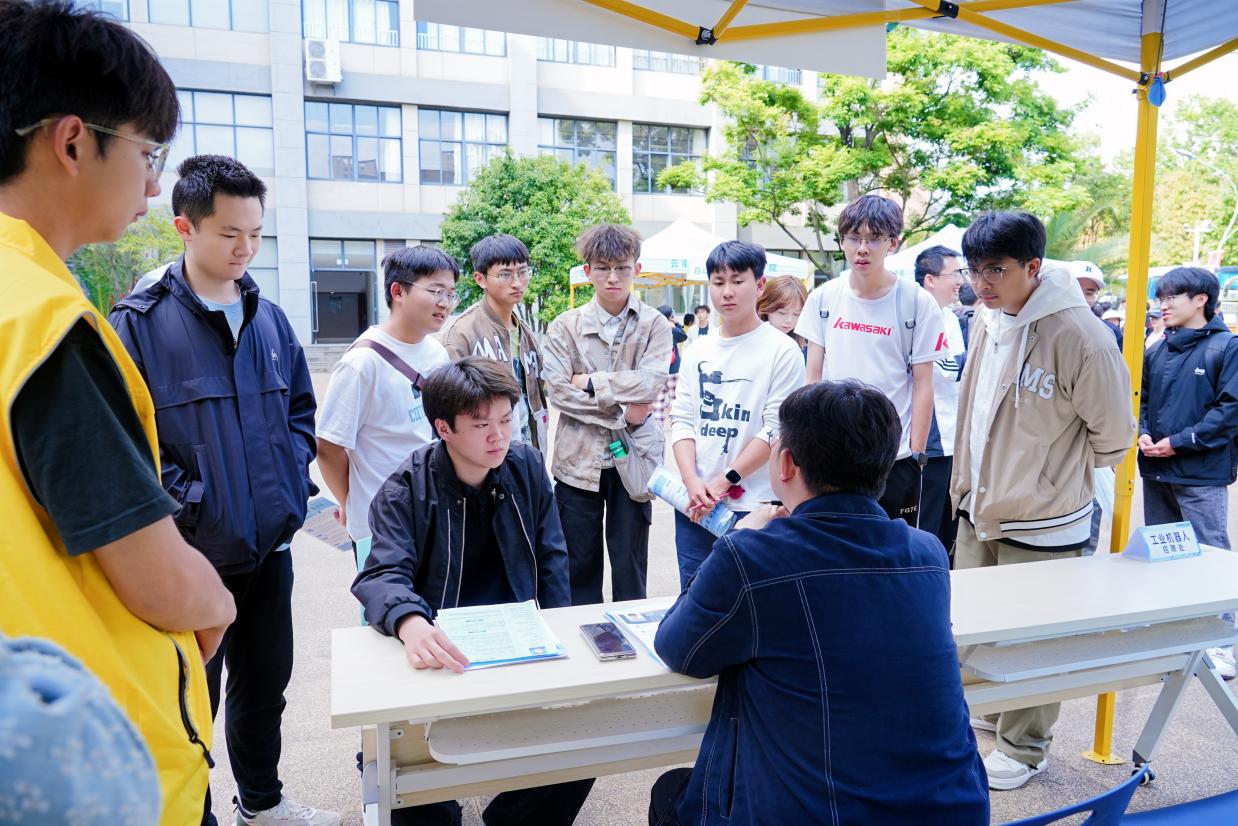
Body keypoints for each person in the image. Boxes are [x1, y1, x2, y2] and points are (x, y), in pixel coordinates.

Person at [0, 3, 235, 823]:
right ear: (72, 142)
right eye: (146, 153)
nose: (151, 183)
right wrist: (217, 601)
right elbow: (157, 579)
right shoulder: (41, 320)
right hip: (93, 766)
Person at [649, 381, 989, 826]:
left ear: (786, 463)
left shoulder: (753, 556)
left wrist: (740, 536)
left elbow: (679, 648)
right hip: (953, 809)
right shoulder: (926, 553)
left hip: (822, 814)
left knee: (671, 792)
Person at [110, 155, 333, 825]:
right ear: (185, 226)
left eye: (256, 233)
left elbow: (299, 413)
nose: (245, 248)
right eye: (229, 233)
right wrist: (194, 506)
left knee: (265, 688)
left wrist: (288, 483)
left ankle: (261, 804)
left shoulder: (269, 319)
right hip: (191, 555)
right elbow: (128, 444)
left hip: (271, 547)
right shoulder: (139, 324)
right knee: (188, 698)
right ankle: (193, 813)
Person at [352, 357, 594, 826]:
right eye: (481, 425)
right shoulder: (406, 489)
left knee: (583, 747)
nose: (498, 436)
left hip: (517, 644)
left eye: (506, 420)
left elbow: (553, 557)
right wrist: (410, 621)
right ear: (443, 428)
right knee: (400, 776)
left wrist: (558, 635)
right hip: (444, 653)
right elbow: (381, 574)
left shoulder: (525, 466)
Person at [951, 211, 1134, 791]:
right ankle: (996, 712)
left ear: (1033, 266)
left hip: (1045, 516)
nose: (981, 283)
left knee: (1034, 635)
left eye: (995, 270)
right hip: (977, 504)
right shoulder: (986, 318)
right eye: (974, 270)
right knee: (973, 623)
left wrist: (1048, 474)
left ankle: (1026, 749)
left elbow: (1115, 436)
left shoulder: (1082, 335)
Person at [795, 194, 945, 526]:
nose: (862, 248)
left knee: (892, 546)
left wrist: (917, 453)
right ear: (842, 242)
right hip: (834, 454)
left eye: (874, 238)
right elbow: (813, 378)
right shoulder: (823, 298)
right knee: (836, 542)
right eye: (854, 237)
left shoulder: (916, 302)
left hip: (895, 457)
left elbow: (923, 383)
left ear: (893, 242)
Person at [542, 225, 670, 604]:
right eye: (602, 268)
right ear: (587, 271)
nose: (612, 277)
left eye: (622, 268)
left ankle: (631, 636)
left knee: (631, 566)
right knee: (578, 568)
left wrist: (591, 382)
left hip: (634, 461)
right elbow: (558, 391)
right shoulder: (565, 327)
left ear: (637, 269)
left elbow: (651, 383)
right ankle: (582, 635)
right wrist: (622, 414)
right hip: (576, 462)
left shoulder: (654, 325)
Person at [670, 241, 806, 587]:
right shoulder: (697, 350)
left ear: (759, 285)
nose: (727, 291)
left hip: (755, 504)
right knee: (694, 594)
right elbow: (682, 420)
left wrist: (724, 481)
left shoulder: (782, 351)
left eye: (737, 281)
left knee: (755, 596)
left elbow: (775, 428)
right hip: (695, 505)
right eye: (718, 282)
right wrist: (692, 481)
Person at [316, 246, 454, 560]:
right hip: (382, 527)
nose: (445, 303)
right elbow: (329, 447)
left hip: (433, 514)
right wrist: (350, 502)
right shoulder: (361, 363)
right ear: (397, 291)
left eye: (450, 293)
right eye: (435, 291)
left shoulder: (437, 352)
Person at [1139, 266, 1238, 676]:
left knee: (1210, 553)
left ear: (1201, 300)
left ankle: (1223, 640)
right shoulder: (1157, 348)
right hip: (1156, 468)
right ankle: (1174, 629)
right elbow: (1142, 399)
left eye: (1171, 297)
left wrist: (1179, 441)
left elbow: (1230, 410)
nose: (1163, 305)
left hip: (1200, 471)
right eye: (1161, 297)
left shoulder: (1226, 347)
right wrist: (1143, 433)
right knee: (1165, 552)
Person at [442, 234, 548, 455]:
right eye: (505, 275)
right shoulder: (463, 333)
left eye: (523, 272)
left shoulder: (526, 331)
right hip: (486, 451)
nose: (517, 282)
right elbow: (453, 406)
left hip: (527, 451)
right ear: (480, 279)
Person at [914, 245, 968, 553]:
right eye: (955, 274)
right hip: (930, 440)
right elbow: (948, 368)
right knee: (926, 523)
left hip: (952, 439)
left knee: (950, 523)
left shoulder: (949, 316)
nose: (961, 281)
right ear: (931, 279)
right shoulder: (919, 313)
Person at [1072, 260, 1123, 350]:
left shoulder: (1111, 332)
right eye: (1076, 291)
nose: (1081, 298)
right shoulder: (1047, 328)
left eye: (1089, 293)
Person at [652, 303, 688, 427]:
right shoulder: (671, 328)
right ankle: (679, 427)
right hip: (673, 370)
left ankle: (658, 429)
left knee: (658, 403)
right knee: (676, 401)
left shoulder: (653, 328)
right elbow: (683, 336)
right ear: (669, 316)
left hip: (657, 371)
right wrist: (676, 324)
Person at [757, 274, 808, 354]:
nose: (789, 320)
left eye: (797, 314)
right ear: (766, 307)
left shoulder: (806, 348)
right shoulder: (750, 339)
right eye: (782, 313)